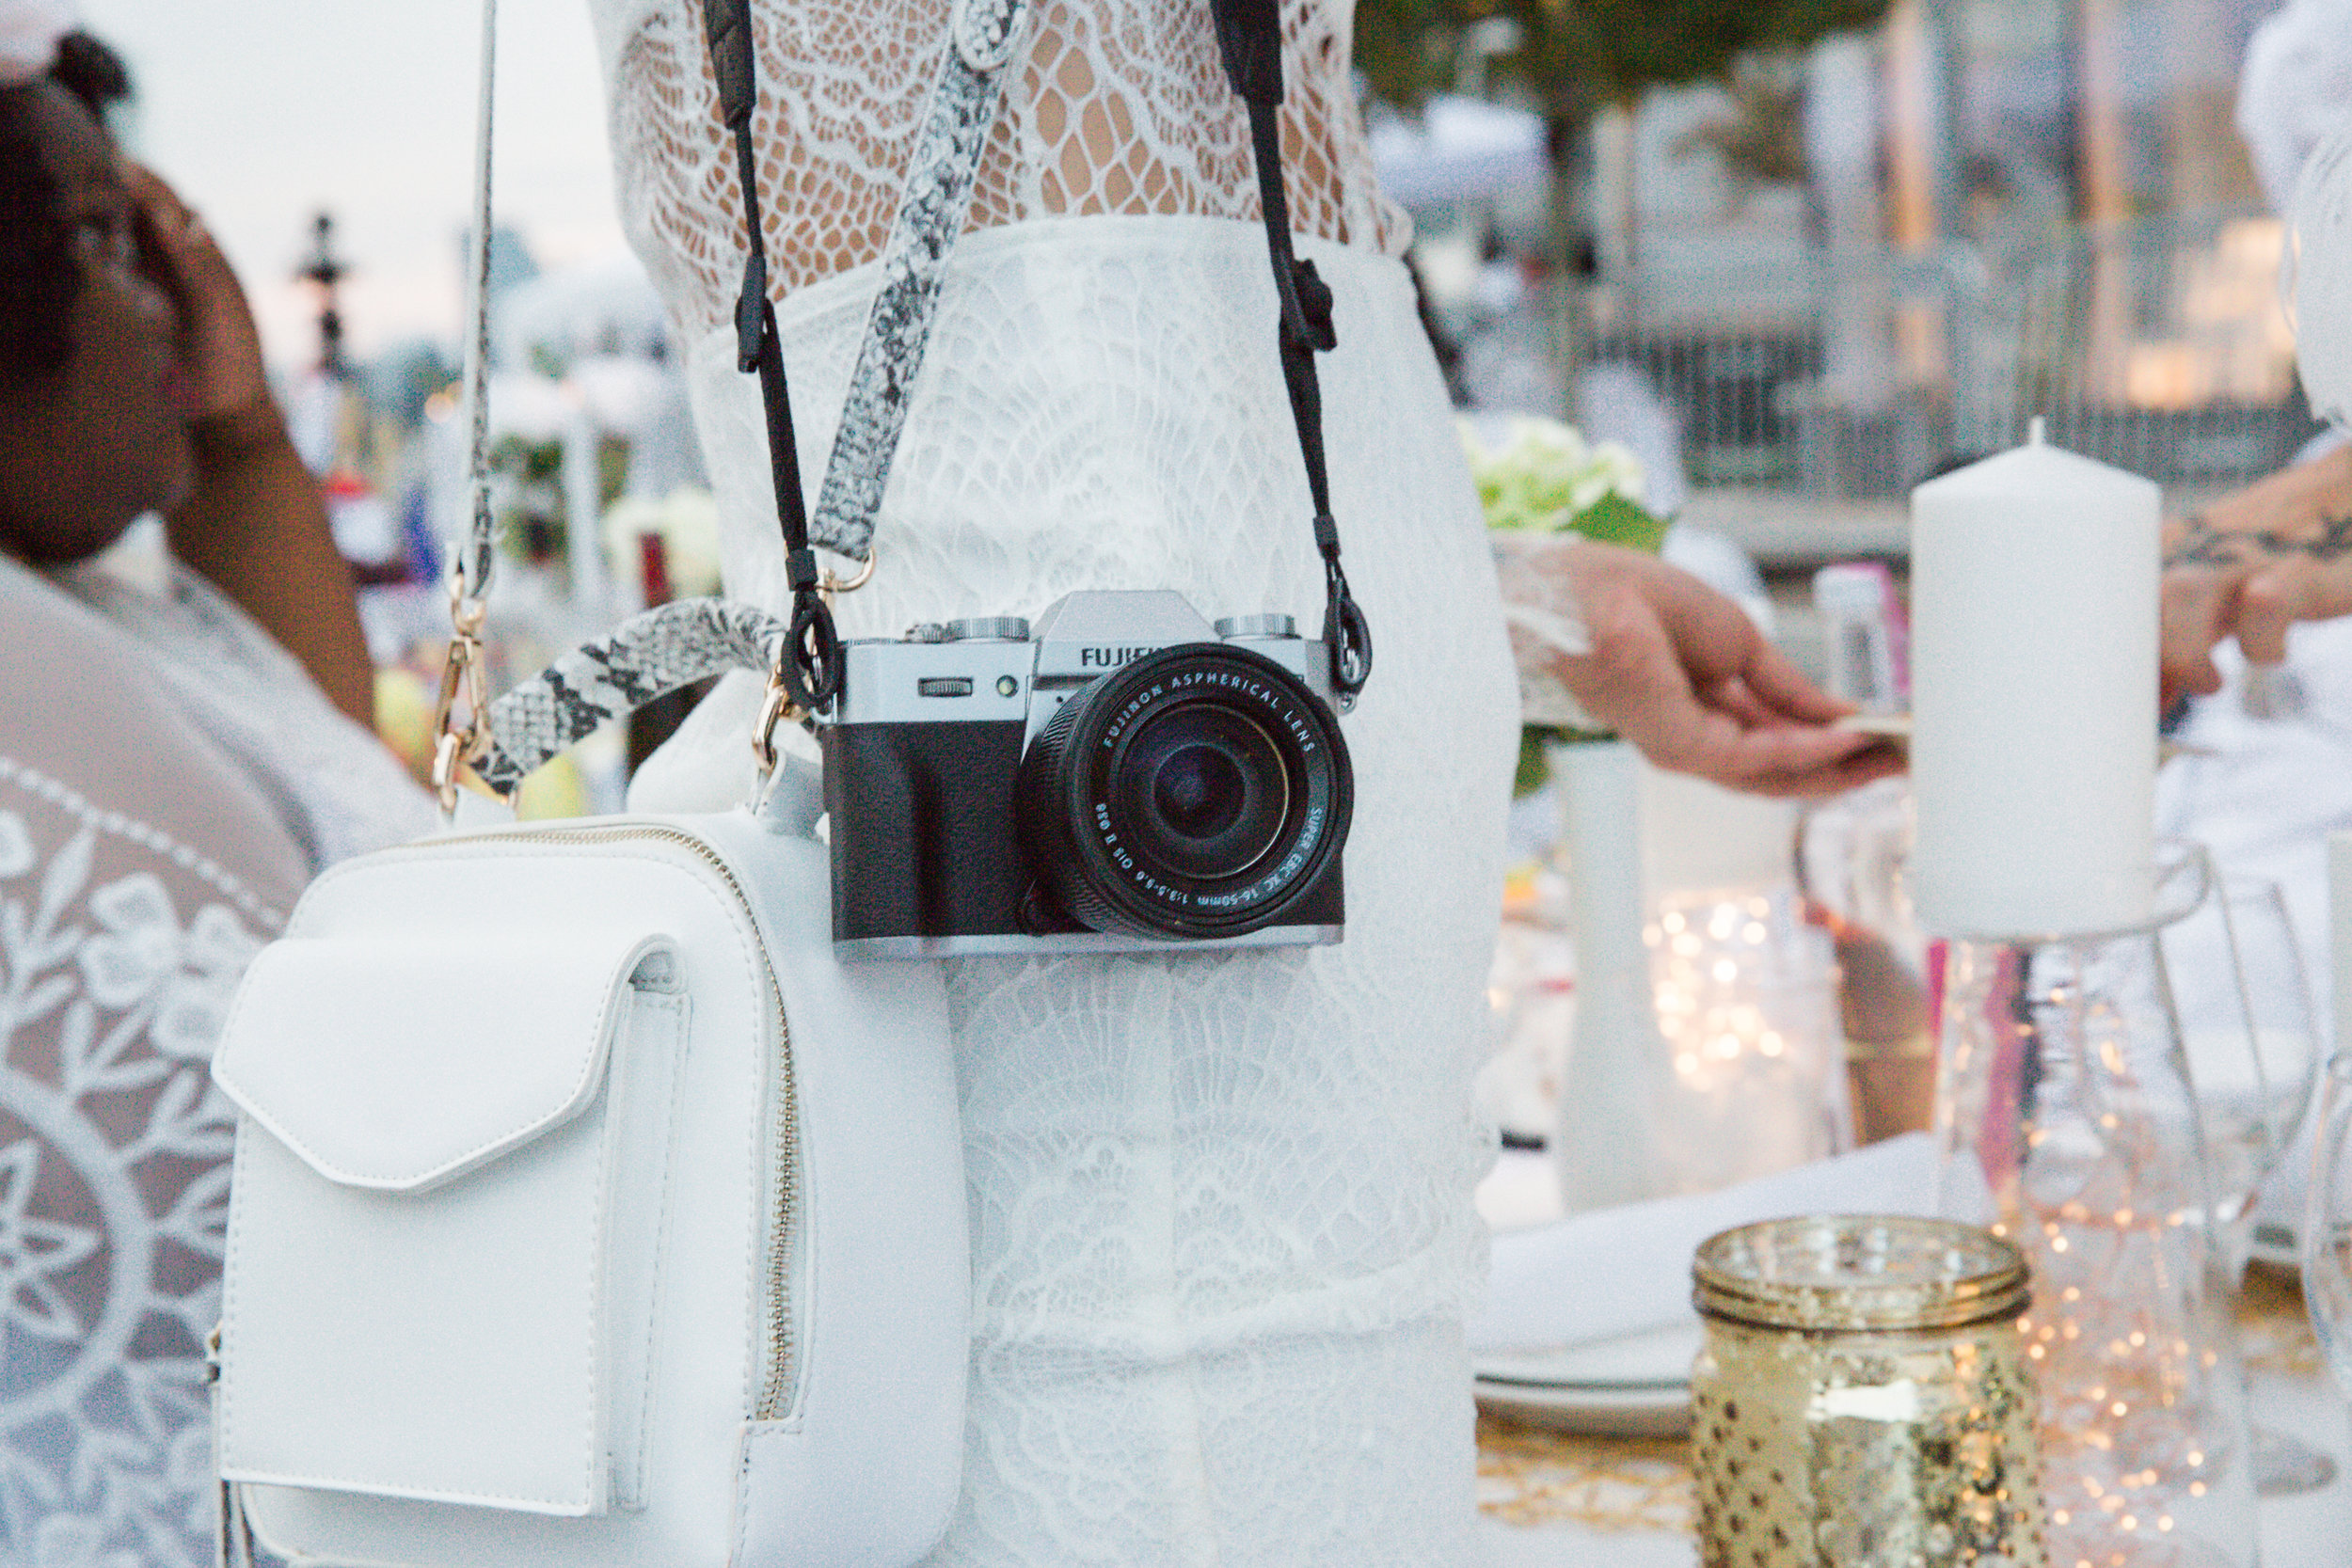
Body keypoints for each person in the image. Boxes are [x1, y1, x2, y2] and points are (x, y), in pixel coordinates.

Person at [586, 0, 1883, 1560]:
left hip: (1354, 1133)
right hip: (1075, 1178)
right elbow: (1063, 469)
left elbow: (1128, 472)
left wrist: (1511, 608)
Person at [0, 16, 426, 1561]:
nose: (175, 299)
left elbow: (329, 771)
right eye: (106, 242)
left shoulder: (122, 616)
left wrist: (239, 435)